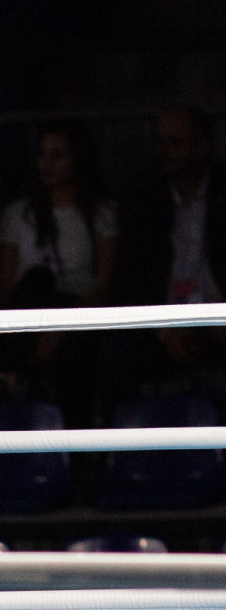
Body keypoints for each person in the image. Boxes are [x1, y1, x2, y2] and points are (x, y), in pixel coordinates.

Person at [0, 120, 118, 427]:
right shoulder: (18, 214)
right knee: (37, 278)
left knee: (79, 352)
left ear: (78, 159)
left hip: (79, 315)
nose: (46, 163)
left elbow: (103, 285)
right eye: (42, 155)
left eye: (57, 155)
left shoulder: (101, 213)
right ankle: (16, 377)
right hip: (29, 312)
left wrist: (59, 329)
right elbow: (5, 289)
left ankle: (80, 448)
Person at [106, 105, 226, 405]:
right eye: (160, 143)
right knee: (115, 350)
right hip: (164, 321)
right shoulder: (141, 202)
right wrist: (163, 331)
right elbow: (131, 280)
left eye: (175, 143)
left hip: (220, 316)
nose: (164, 151)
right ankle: (112, 451)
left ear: (203, 145)